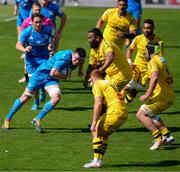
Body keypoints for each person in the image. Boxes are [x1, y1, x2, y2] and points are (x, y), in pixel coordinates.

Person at [2, 47, 86, 133]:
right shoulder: (64, 59)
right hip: (40, 75)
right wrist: (66, 77)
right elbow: (53, 72)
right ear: (73, 54)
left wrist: (80, 70)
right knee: (25, 97)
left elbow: (82, 61)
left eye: (79, 60)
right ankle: (8, 119)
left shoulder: (78, 58)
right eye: (76, 59)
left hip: (51, 79)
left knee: (56, 98)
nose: (77, 62)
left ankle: (37, 119)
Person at [83, 70, 128, 168]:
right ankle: (99, 160)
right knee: (104, 134)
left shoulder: (97, 84)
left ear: (92, 77)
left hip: (114, 111)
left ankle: (96, 161)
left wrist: (94, 121)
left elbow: (98, 104)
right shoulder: (110, 82)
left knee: (95, 131)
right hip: (123, 112)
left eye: (90, 78)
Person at [136, 42, 175, 150]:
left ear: (150, 51)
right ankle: (167, 135)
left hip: (163, 96)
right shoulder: (161, 59)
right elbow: (170, 78)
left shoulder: (153, 61)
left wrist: (147, 94)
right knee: (150, 114)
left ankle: (158, 138)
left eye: (145, 51)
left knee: (141, 114)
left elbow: (155, 77)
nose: (144, 53)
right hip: (167, 94)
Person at [16, 13, 55, 110]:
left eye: (40, 22)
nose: (38, 24)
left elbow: (55, 37)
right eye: (36, 22)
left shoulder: (48, 30)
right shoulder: (27, 32)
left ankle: (41, 93)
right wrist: (25, 50)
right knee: (34, 84)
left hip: (44, 60)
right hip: (31, 62)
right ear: (32, 22)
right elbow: (18, 45)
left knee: (43, 81)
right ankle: (36, 102)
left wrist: (52, 45)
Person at [125, 19, 164, 103]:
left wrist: (151, 58)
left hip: (147, 72)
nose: (146, 30)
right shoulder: (138, 38)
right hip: (136, 68)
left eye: (149, 28)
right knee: (126, 87)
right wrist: (129, 61)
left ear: (153, 28)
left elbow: (160, 59)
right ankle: (114, 106)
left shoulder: (158, 42)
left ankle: (124, 104)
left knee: (134, 92)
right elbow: (129, 49)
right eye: (144, 28)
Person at [83, 28, 132, 92]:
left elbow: (110, 56)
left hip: (122, 75)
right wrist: (86, 79)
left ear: (97, 38)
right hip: (110, 76)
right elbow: (92, 66)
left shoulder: (106, 44)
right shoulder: (93, 50)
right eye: (88, 38)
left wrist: (102, 70)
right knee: (100, 92)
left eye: (90, 38)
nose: (89, 40)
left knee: (107, 94)